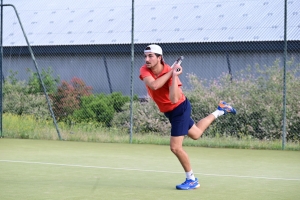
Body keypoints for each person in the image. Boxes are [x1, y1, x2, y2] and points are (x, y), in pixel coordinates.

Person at [139, 44, 236, 190]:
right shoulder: (145, 69)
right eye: (145, 56)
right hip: (169, 111)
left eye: (151, 56)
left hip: (179, 108)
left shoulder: (172, 76)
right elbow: (154, 85)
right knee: (196, 134)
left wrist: (173, 75)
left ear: (160, 58)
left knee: (175, 147)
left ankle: (191, 180)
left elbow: (174, 99)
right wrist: (171, 72)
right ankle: (221, 110)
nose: (147, 59)